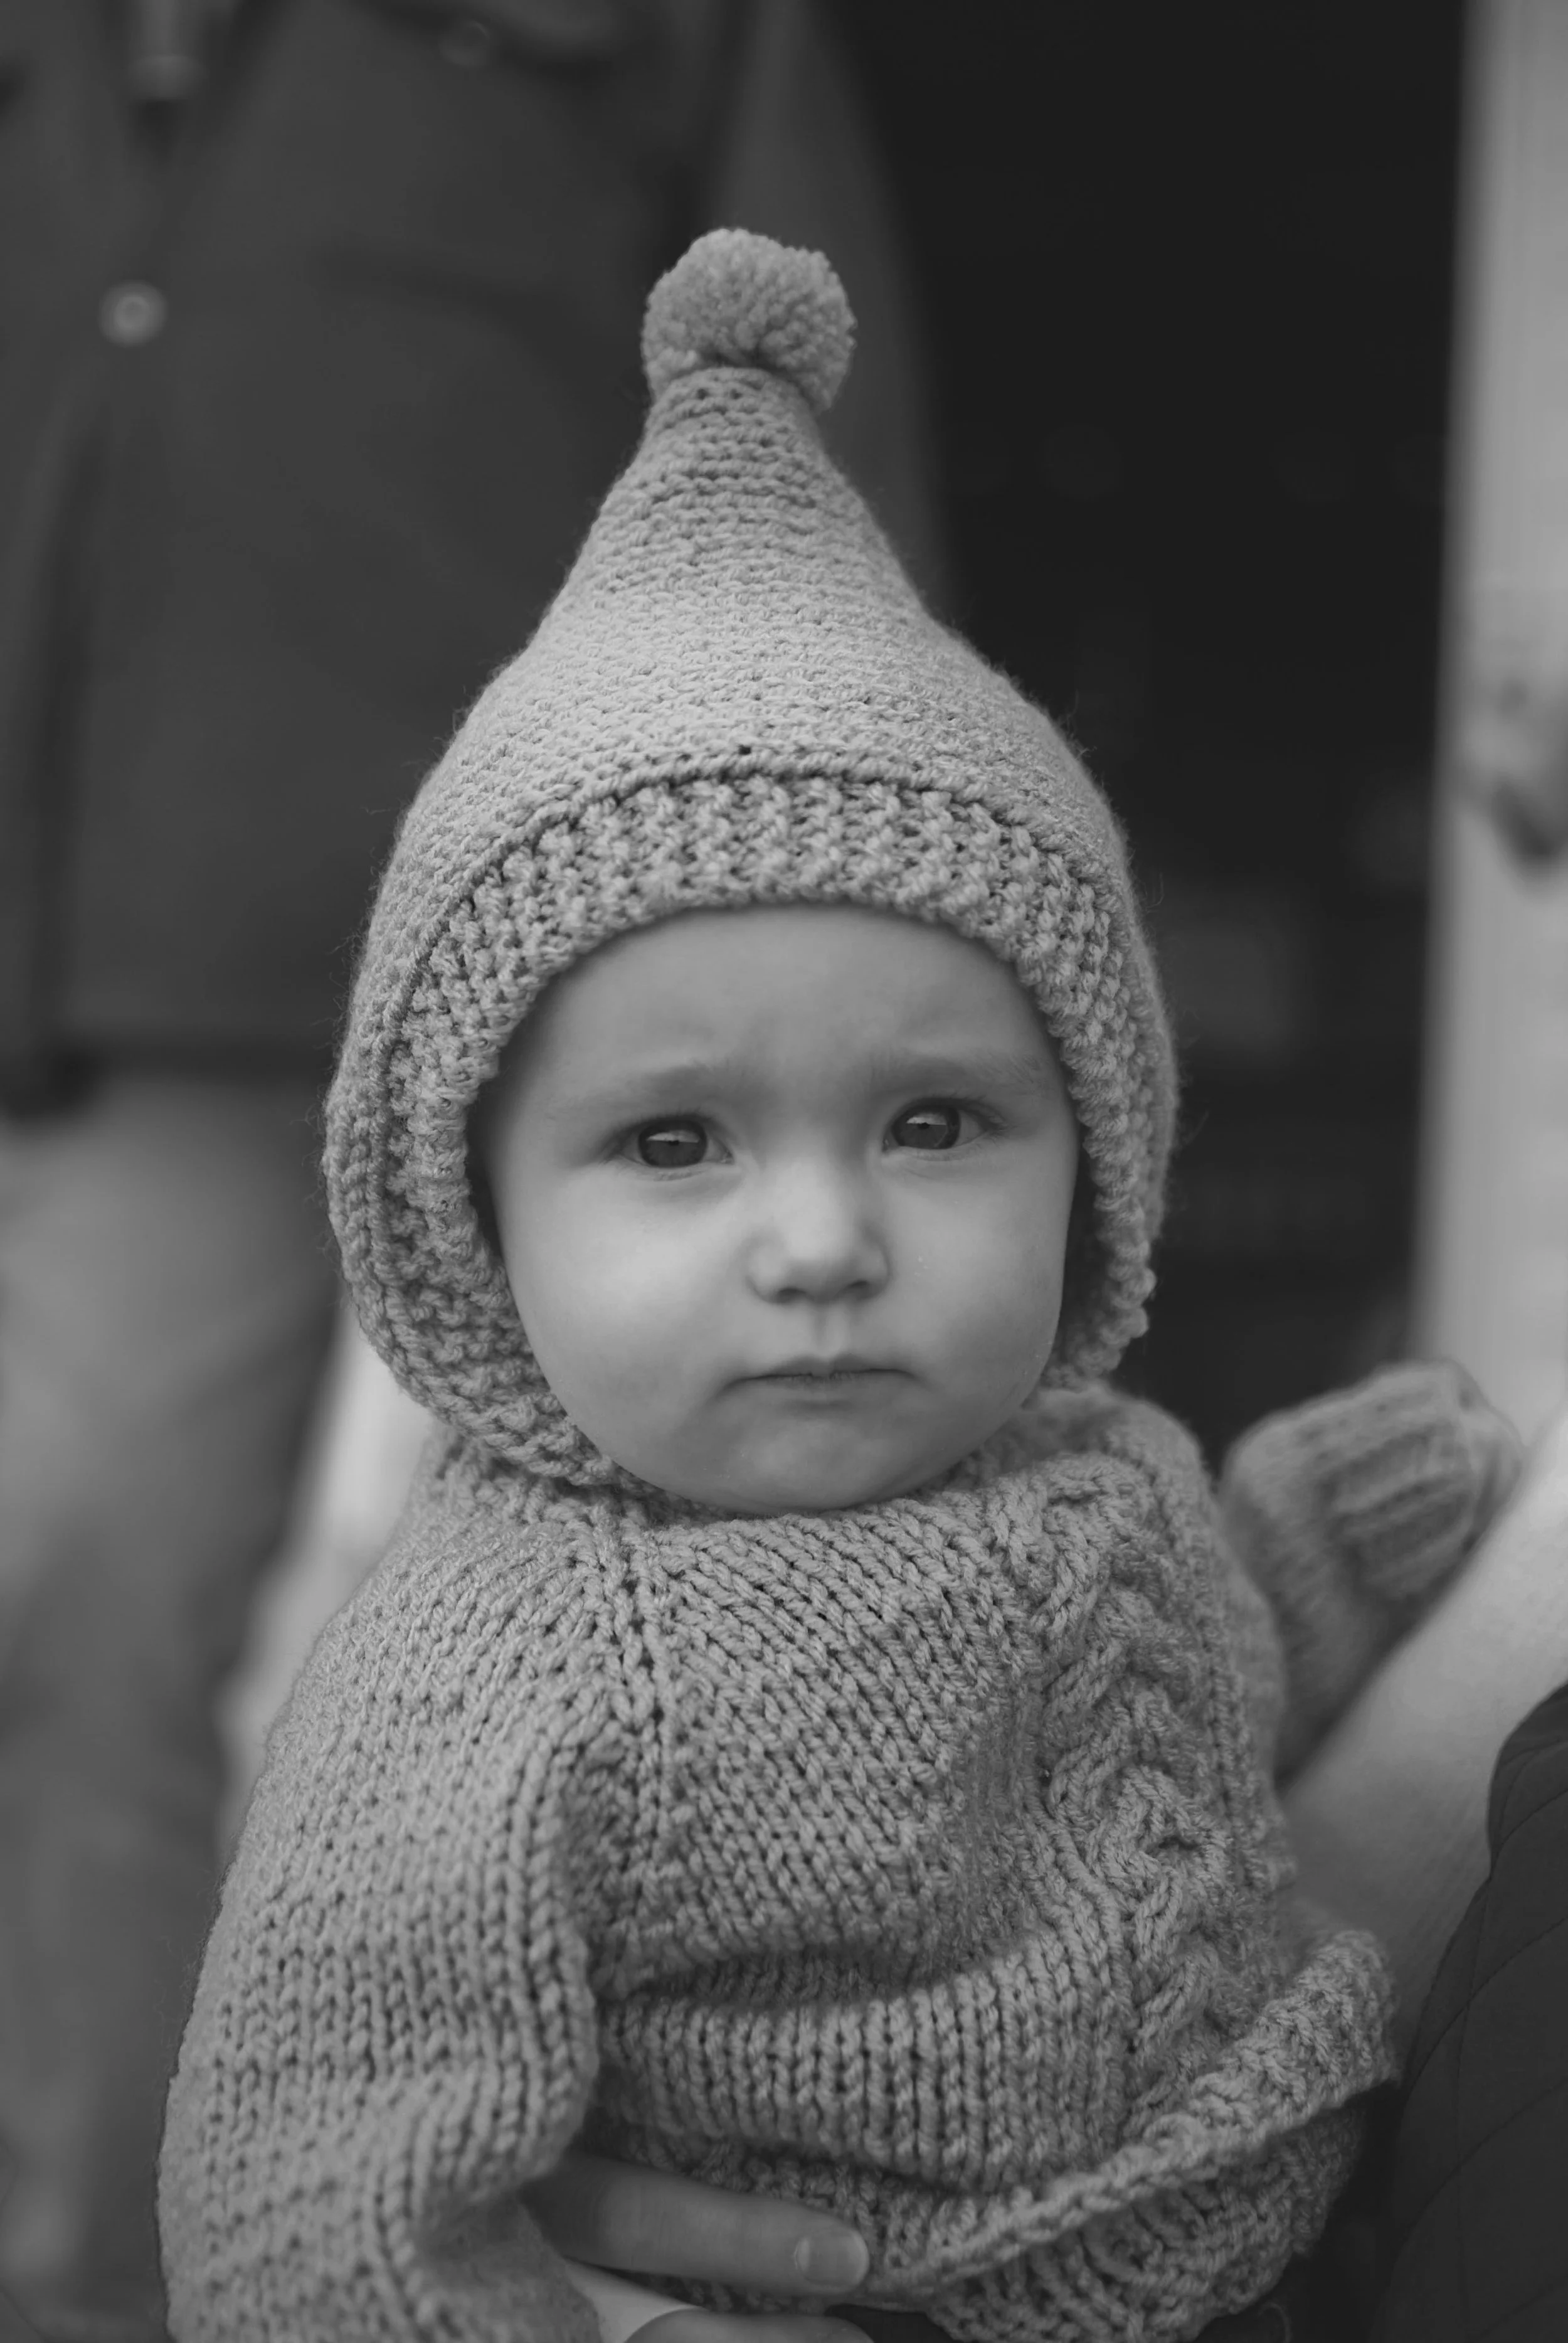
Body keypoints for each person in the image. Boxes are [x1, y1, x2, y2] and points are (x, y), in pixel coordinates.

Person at [159, 231, 1518, 2343]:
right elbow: (312, 2198)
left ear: (1101, 1156)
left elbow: (1179, 1715)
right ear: (469, 1219)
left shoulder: (1093, 1464)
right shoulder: (499, 1673)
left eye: (937, 1122)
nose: (819, 1242)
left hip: (1267, 2233)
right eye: (675, 1142)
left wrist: (1304, 1543)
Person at [0, 11, 939, 2342]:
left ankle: (656, 2260)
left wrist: (841, 874)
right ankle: (111, 2284)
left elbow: (812, 385)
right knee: (76, 1597)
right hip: (153, 954)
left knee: (623, 1630)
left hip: (588, 957)